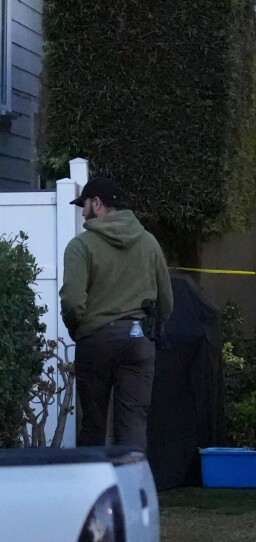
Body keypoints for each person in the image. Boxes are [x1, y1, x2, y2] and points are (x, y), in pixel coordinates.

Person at [60, 173, 173, 451]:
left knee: (94, 424)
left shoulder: (81, 246)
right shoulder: (149, 243)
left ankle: (94, 488)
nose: (83, 213)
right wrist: (150, 329)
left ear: (96, 203)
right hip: (138, 340)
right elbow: (166, 300)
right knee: (133, 421)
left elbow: (73, 301)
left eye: (84, 205)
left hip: (96, 342)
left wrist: (80, 329)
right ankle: (133, 490)